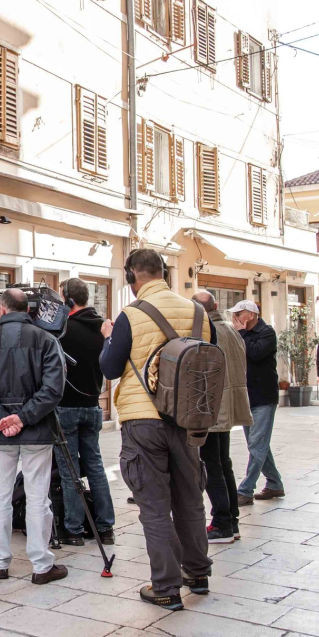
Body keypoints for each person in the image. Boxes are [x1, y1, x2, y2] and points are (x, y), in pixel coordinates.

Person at [99, 250, 214, 611]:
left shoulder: (131, 314)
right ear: (162, 272)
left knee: (154, 506)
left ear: (132, 276)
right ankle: (197, 573)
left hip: (143, 419)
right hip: (187, 418)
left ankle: (165, 586)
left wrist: (108, 338)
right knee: (190, 498)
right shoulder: (198, 313)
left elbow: (110, 368)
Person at [0, 288, 68, 586]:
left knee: (0, 497)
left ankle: (0, 562)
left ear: (1, 310)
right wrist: (22, 418)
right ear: (29, 310)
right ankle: (41, 564)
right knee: (38, 498)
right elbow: (53, 389)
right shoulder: (46, 340)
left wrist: (5, 419)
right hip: (36, 430)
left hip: (1, 433)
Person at [54, 277, 115, 547]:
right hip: (93, 406)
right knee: (96, 467)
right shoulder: (103, 327)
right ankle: (105, 528)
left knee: (70, 471)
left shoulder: (63, 329)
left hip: (66, 408)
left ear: (68, 300)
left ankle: (74, 529)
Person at [192, 291, 251, 544]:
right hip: (228, 403)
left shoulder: (208, 331)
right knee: (223, 463)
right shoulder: (230, 328)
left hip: (213, 405)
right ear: (216, 305)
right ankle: (232, 521)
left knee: (211, 465)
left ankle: (222, 523)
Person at [230, 300, 285, 507]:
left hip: (264, 397)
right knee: (258, 444)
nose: (235, 318)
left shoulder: (267, 332)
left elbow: (255, 352)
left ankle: (245, 490)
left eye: (239, 313)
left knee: (256, 444)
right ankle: (275, 483)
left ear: (251, 315)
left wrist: (241, 333)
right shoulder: (240, 333)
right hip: (247, 396)